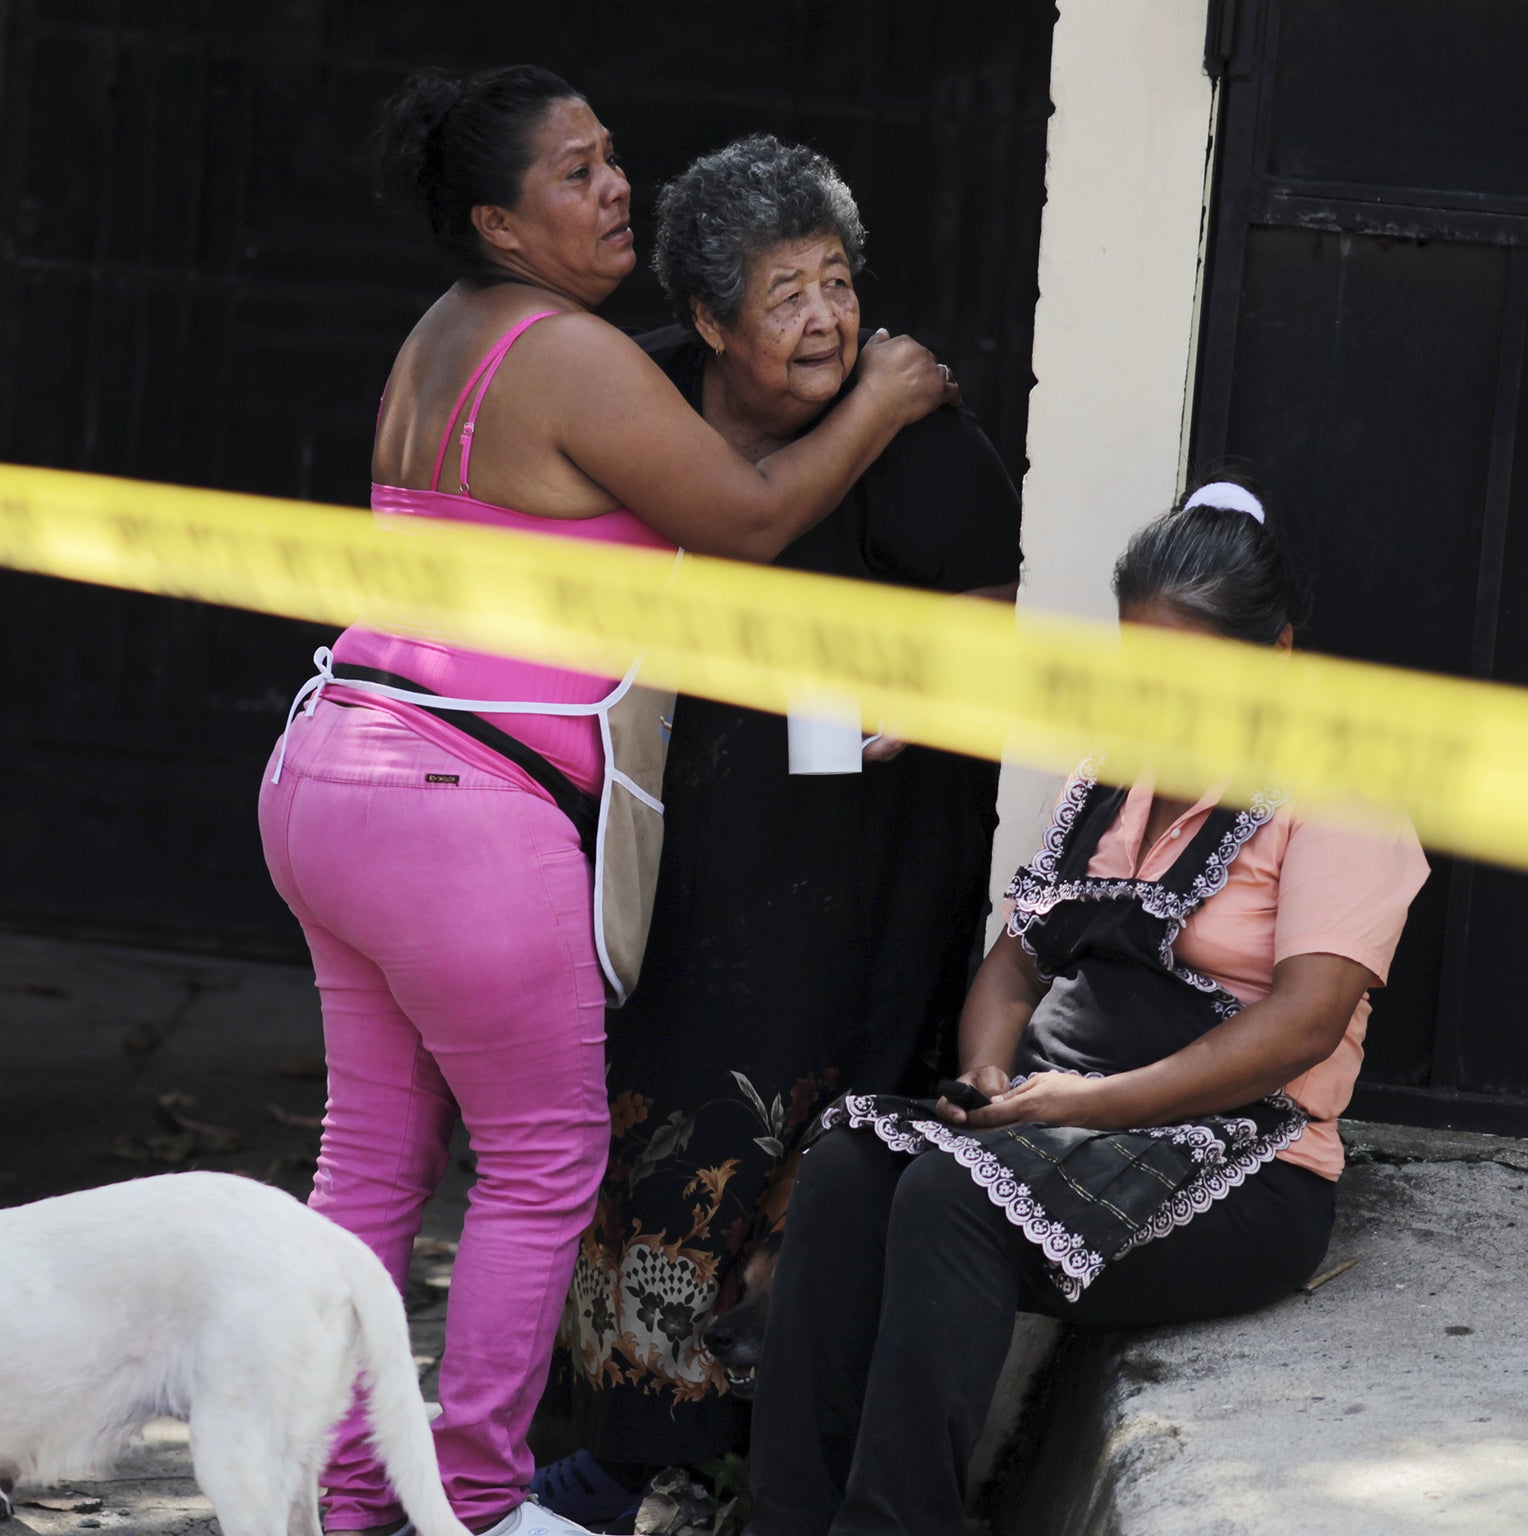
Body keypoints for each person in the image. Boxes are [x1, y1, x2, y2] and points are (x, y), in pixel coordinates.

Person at [256, 70, 955, 1536]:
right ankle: (478, 1497)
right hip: (461, 805)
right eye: (577, 175)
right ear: (502, 222)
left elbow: (675, 501)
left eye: (611, 157)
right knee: (543, 1164)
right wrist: (883, 397)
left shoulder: (438, 340)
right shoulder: (566, 351)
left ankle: (339, 1501)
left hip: (334, 765)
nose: (616, 187)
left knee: (375, 1157)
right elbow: (754, 517)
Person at [744, 480, 1432, 1536]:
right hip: (1050, 1118)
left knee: (948, 1198)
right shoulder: (1114, 778)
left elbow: (1301, 1022)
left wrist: (1093, 1105)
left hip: (1237, 1162)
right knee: (846, 1169)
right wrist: (987, 1070)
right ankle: (784, 1517)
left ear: (1277, 654)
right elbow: (1015, 964)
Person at [536, 133, 1022, 1522]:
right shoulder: (637, 390)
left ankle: (752, 1464)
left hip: (848, 855)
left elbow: (990, 605)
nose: (824, 319)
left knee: (807, 1129)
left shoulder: (912, 426)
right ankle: (631, 1449)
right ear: (705, 320)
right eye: (783, 291)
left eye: (835, 281)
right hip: (668, 837)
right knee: (641, 1115)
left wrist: (922, 693)